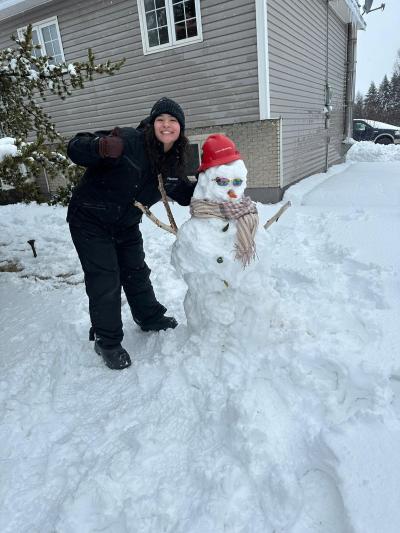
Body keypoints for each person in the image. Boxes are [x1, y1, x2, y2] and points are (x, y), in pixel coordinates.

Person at [67, 97, 196, 370]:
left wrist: (216, 183)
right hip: (89, 218)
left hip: (125, 223)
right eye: (160, 119)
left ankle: (148, 316)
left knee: (136, 270)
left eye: (173, 121)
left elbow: (185, 194)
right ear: (152, 123)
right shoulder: (127, 140)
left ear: (180, 129)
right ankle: (107, 341)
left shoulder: (171, 164)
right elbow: (75, 147)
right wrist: (100, 147)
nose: (166, 125)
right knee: (105, 277)